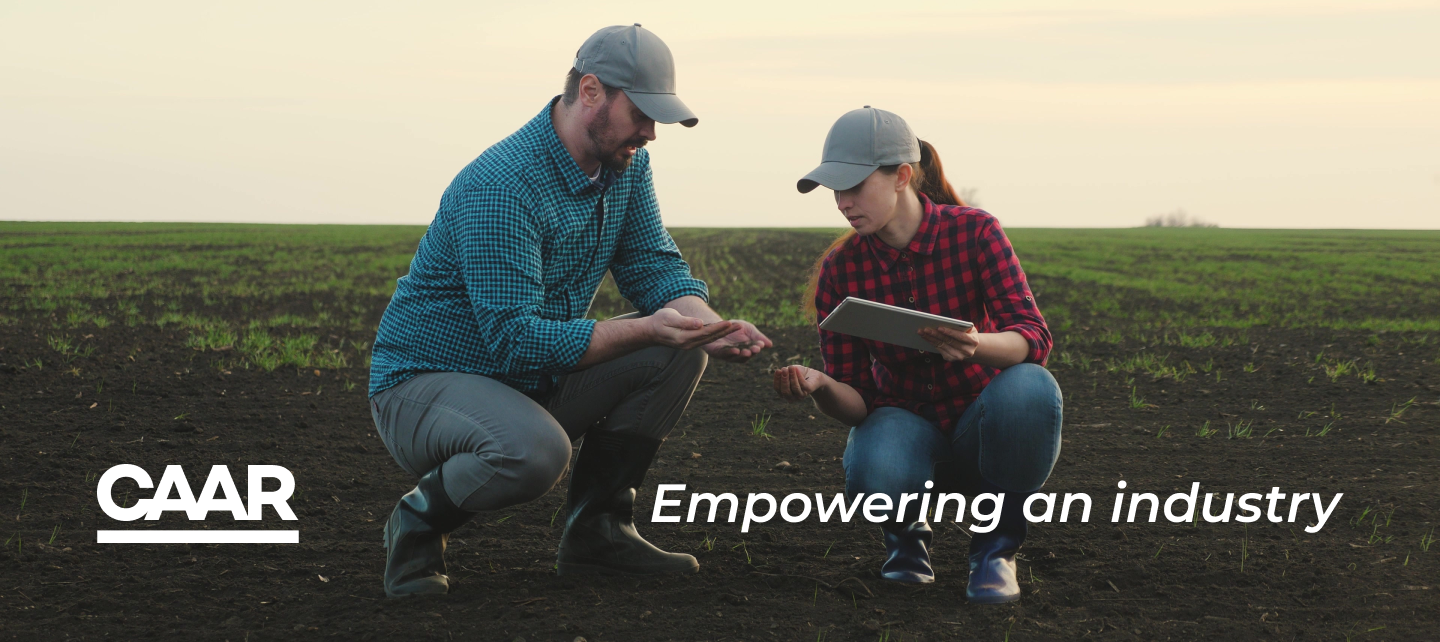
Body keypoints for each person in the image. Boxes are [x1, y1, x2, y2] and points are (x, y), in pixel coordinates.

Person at [368, 24, 772, 598]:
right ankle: (417, 522)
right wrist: (642, 327)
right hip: (426, 385)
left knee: (677, 351)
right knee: (534, 451)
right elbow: (516, 341)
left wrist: (710, 328)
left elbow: (652, 266)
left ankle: (598, 534)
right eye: (641, 113)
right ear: (590, 92)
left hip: (525, 379)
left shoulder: (623, 166)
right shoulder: (503, 186)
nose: (651, 133)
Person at [772, 107, 1061, 604]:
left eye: (854, 187)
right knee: (877, 465)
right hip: (902, 419)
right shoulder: (841, 270)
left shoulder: (975, 233)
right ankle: (906, 538)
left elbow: (1033, 337)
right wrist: (820, 386)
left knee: (1032, 389)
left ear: (902, 175)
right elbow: (858, 401)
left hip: (979, 418)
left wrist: (976, 344)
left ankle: (995, 552)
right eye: (834, 191)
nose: (842, 203)